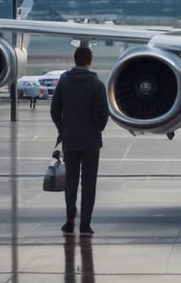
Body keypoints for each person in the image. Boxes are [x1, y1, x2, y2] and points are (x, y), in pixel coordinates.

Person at [50, 46, 109, 237]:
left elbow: (54, 110)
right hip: (91, 141)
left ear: (75, 59)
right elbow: (103, 113)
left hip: (70, 139)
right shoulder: (96, 83)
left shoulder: (65, 81)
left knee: (71, 180)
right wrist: (97, 128)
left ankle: (69, 219)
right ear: (89, 60)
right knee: (89, 183)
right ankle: (85, 223)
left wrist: (63, 129)